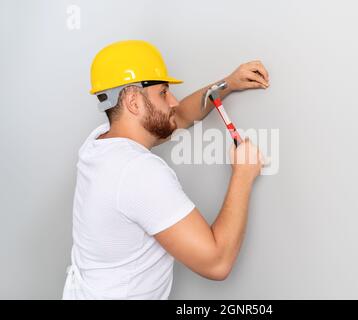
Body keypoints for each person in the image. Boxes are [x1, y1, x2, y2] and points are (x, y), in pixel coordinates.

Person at [62, 40, 269, 299]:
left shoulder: (99, 145)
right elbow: (217, 263)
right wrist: (243, 174)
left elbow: (178, 117)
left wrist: (227, 84)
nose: (173, 101)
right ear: (133, 101)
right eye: (163, 92)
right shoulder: (137, 172)